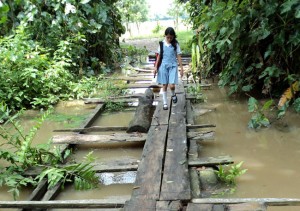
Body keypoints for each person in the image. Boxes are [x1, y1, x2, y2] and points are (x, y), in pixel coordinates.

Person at [153, 27, 184, 110]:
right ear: (165, 36)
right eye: (168, 37)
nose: (169, 39)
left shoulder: (176, 44)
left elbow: (178, 56)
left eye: (171, 37)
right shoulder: (162, 44)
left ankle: (173, 94)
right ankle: (165, 103)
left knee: (172, 85)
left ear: (174, 36)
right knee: (164, 85)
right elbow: (158, 57)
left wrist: (181, 68)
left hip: (173, 66)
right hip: (163, 66)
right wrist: (156, 67)